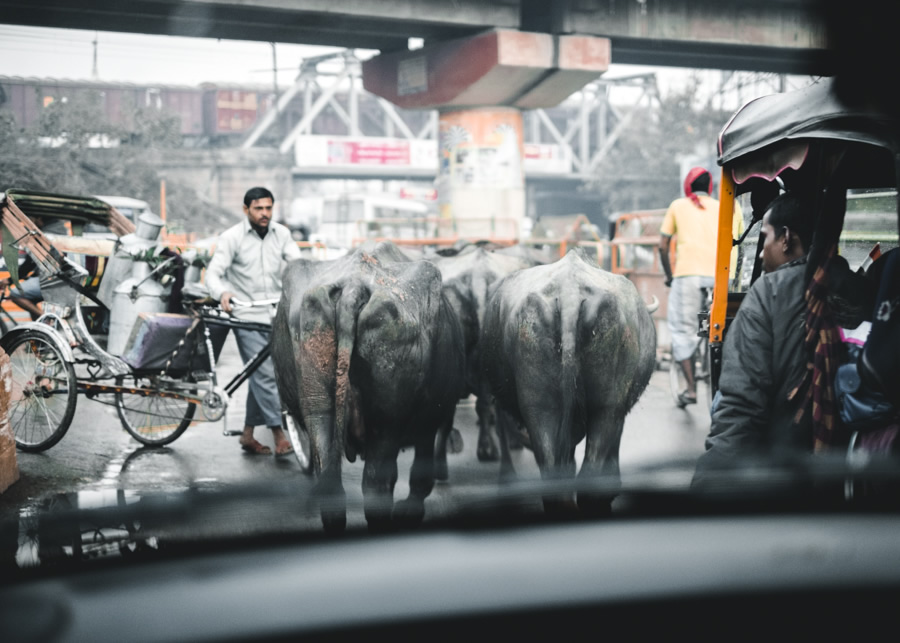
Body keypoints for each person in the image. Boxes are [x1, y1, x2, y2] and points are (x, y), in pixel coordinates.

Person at [691, 191, 817, 484]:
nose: (761, 252)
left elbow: (741, 407)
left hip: (783, 469)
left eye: (766, 237)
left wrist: (705, 484)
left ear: (786, 238)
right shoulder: (856, 285)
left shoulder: (769, 292)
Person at [205, 186, 302, 457]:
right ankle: (278, 433)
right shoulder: (231, 238)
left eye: (269, 208)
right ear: (246, 209)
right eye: (259, 209)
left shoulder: (281, 234)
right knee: (266, 375)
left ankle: (247, 435)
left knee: (263, 374)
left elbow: (297, 263)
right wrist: (222, 292)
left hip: (275, 315)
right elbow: (213, 275)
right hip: (246, 316)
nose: (265, 214)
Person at [659, 167, 743, 407]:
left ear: (688, 187)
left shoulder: (678, 206)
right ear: (710, 187)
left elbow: (663, 246)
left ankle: (691, 390)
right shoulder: (728, 206)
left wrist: (669, 275)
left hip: (688, 277)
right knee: (724, 331)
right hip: (721, 278)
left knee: (683, 330)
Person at [0, 214, 69, 320]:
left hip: (51, 281)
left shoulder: (43, 236)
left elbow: (30, 263)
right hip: (65, 281)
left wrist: (9, 280)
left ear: (40, 219)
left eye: (31, 219)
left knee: (15, 294)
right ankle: (40, 323)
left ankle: (45, 319)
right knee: (30, 298)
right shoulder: (62, 232)